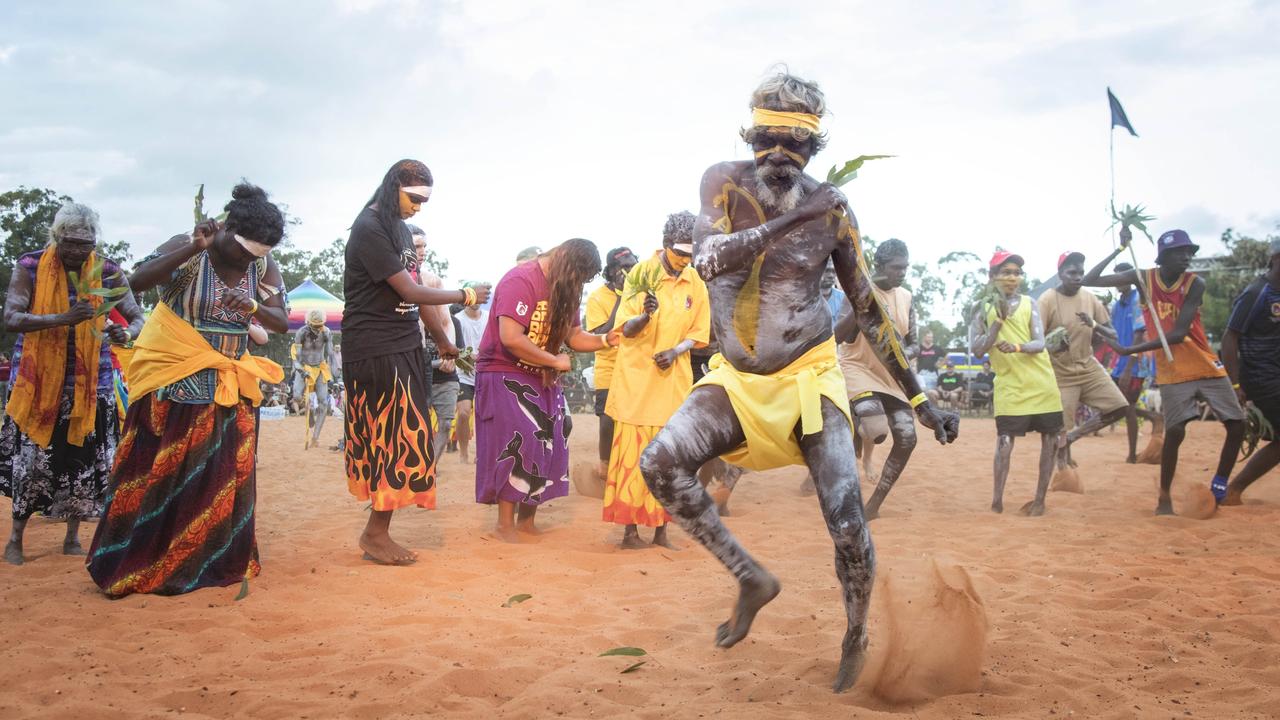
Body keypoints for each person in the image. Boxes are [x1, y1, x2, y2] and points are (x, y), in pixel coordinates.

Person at [637, 72, 958, 693]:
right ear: (751, 135)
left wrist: (919, 398)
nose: (780, 155)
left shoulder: (833, 211)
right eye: (769, 139)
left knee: (845, 523)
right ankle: (749, 575)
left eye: (797, 144)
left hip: (810, 381)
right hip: (735, 381)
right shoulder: (722, 181)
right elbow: (709, 259)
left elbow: (867, 307)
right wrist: (798, 217)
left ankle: (856, 630)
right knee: (659, 463)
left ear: (816, 148)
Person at [85, 183, 286, 595]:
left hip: (230, 382)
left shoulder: (262, 267)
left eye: (257, 255)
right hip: (176, 379)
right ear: (228, 228)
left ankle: (210, 561)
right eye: (244, 250)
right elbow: (135, 283)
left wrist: (250, 307)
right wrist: (193, 248)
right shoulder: (192, 247)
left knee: (223, 474)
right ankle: (151, 560)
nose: (248, 259)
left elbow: (281, 321)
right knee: (165, 470)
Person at [340, 159, 487, 566]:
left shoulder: (401, 231)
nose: (419, 207)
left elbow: (416, 293)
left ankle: (378, 530)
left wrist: (444, 343)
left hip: (403, 344)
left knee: (408, 436)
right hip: (374, 347)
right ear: (394, 187)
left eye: (425, 200)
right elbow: (407, 288)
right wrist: (466, 296)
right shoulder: (369, 229)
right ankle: (375, 533)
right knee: (397, 437)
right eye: (414, 198)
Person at [1, 202, 144, 565]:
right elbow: (12, 317)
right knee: (32, 461)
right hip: (37, 383)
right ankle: (16, 539)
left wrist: (124, 333)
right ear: (56, 238)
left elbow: (137, 318)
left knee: (83, 461)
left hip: (90, 385)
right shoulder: (30, 266)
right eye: (72, 243)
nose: (80, 251)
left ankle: (72, 537)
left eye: (87, 243)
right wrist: (63, 318)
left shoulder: (107, 270)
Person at [1084, 229, 1245, 513]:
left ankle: (1220, 484)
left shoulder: (1195, 283)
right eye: (1179, 252)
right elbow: (1089, 280)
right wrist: (1120, 250)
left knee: (1237, 424)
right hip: (1172, 368)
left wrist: (1127, 351)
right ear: (1163, 257)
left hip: (1203, 361)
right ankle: (1164, 497)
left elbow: (1179, 332)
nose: (1186, 257)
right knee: (1175, 430)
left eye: (1189, 252)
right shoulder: (1143, 278)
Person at [474, 238, 617, 542]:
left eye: (583, 279)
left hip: (543, 376)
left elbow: (575, 336)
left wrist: (607, 340)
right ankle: (504, 525)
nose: (578, 282)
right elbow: (511, 337)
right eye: (577, 274)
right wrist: (554, 360)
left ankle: (527, 522)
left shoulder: (568, 285)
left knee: (552, 437)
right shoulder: (521, 280)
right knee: (520, 438)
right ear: (561, 256)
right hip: (504, 371)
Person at [603, 213, 710, 548]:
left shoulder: (695, 281)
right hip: (637, 385)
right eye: (680, 253)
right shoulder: (640, 274)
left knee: (671, 460)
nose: (684, 260)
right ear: (665, 246)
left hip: (673, 384)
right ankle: (630, 532)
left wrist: (677, 351)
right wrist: (645, 314)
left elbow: (698, 333)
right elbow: (624, 329)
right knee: (634, 460)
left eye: (691, 254)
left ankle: (662, 532)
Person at [969, 250, 1063, 516]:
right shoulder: (982, 308)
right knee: (1004, 442)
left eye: (1016, 273)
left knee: (1051, 440)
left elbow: (1040, 342)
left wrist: (1018, 346)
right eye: (1006, 272)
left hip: (1041, 383)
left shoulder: (1029, 303)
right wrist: (996, 325)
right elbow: (977, 349)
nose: (1012, 278)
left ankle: (1040, 500)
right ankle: (997, 501)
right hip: (1010, 385)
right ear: (993, 277)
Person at [834, 238, 921, 519]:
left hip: (892, 376)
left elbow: (915, 342)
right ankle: (857, 431)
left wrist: (903, 353)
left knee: (908, 438)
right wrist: (864, 296)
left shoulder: (907, 297)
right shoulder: (856, 290)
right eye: (896, 268)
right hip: (858, 368)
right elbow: (841, 336)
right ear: (880, 266)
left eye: (905, 268)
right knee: (876, 429)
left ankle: (873, 505)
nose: (902, 273)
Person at [1037, 251, 1131, 465]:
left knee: (1120, 408)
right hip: (1060, 373)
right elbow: (1036, 340)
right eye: (1071, 272)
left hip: (1089, 367)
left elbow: (1112, 333)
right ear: (1060, 274)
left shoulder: (1090, 298)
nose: (1077, 277)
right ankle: (1061, 471)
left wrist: (1095, 325)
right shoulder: (1047, 299)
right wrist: (1054, 343)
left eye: (1080, 272)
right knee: (1059, 429)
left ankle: (1072, 438)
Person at [1223, 238, 1280, 503]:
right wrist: (1235, 385)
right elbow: (1229, 337)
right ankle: (1234, 489)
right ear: (1275, 258)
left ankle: (1235, 489)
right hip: (1260, 377)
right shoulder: (1257, 292)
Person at [585, 247, 638, 480]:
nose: (629, 271)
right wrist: (622, 297)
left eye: (632, 265)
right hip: (608, 367)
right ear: (611, 271)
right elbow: (598, 335)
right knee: (607, 421)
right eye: (624, 267)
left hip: (636, 366)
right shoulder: (598, 297)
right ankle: (604, 469)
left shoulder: (643, 293)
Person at [1104, 261, 1161, 462]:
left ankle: (1131, 454)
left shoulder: (1138, 300)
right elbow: (1114, 334)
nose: (1120, 281)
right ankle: (1152, 417)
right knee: (1118, 405)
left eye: (1124, 276)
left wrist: (1129, 367)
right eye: (1117, 277)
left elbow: (1139, 334)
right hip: (1120, 362)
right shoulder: (1117, 305)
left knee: (1127, 407)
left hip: (1135, 363)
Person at [292, 308, 337, 449]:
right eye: (315, 326)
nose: (318, 328)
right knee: (297, 396)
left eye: (320, 325)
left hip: (320, 368)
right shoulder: (301, 333)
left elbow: (330, 355)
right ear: (308, 323)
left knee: (324, 403)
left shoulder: (327, 332)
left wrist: (333, 375)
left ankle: (315, 437)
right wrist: (300, 370)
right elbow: (296, 358)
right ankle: (308, 410)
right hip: (304, 367)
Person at [454, 287, 488, 464]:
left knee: (484, 415)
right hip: (463, 373)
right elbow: (454, 345)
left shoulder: (489, 317)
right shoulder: (458, 319)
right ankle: (463, 452)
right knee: (464, 414)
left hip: (486, 372)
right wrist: (466, 355)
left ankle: (481, 453)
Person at [820, 261, 845, 329]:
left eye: (834, 271)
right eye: (827, 271)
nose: (831, 275)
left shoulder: (843, 298)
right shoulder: (807, 298)